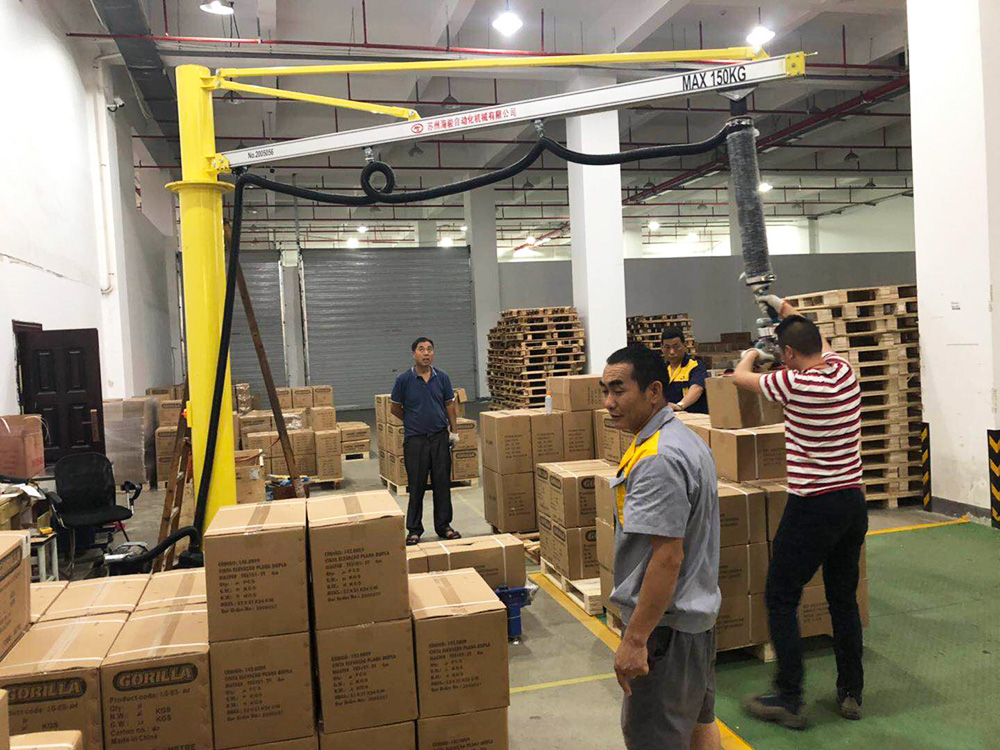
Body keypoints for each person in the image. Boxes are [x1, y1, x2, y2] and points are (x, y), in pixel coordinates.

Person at [731, 294, 866, 729]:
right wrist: (783, 309)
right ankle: (851, 691)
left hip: (814, 506)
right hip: (852, 502)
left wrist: (753, 352)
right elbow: (815, 342)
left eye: (783, 352)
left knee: (781, 594)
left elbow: (740, 379)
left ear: (788, 354)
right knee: (842, 597)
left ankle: (788, 697)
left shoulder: (792, 384)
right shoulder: (843, 372)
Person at [601, 344, 722, 750]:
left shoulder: (658, 458)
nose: (609, 402)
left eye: (619, 390)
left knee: (653, 737)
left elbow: (667, 557)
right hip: (694, 620)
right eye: (605, 391)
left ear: (653, 391)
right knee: (699, 724)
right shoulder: (682, 440)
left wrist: (636, 640)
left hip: (665, 631)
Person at [390, 337, 462, 545]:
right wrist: (411, 420)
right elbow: (395, 407)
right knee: (417, 485)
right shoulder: (404, 379)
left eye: (430, 349)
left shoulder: (442, 377)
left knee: (442, 484)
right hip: (416, 441)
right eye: (421, 349)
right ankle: (414, 529)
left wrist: (454, 431)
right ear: (414, 354)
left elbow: (449, 405)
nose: (426, 353)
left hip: (439, 438)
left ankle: (444, 526)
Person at [661, 326, 710, 414]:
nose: (672, 352)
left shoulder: (695, 365)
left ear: (685, 345)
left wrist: (680, 406)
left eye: (676, 347)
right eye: (667, 347)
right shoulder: (662, 369)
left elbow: (697, 388)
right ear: (662, 348)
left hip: (694, 418)